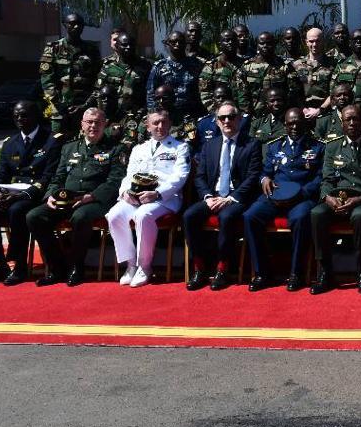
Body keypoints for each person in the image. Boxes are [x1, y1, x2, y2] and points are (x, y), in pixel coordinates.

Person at [26, 108, 127, 286]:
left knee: (80, 217)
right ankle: (57, 268)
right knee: (34, 216)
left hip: (95, 201)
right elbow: (58, 177)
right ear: (82, 124)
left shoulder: (116, 149)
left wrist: (91, 196)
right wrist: (50, 195)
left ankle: (76, 267)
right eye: (89, 122)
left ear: (105, 124)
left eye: (97, 122)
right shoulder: (69, 147)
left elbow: (115, 181)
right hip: (66, 200)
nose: (93, 126)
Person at [0, 101, 61, 286]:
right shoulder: (10, 143)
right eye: (16, 116)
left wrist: (23, 195)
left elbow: (49, 175)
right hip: (11, 192)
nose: (19, 119)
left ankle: (19, 264)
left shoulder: (51, 140)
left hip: (34, 193)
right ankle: (0, 264)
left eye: (24, 115)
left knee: (17, 210)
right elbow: (1, 174)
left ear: (36, 116)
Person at [309, 105, 361, 295]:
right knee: (316, 213)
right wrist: (327, 197)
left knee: (360, 217)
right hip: (336, 199)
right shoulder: (332, 146)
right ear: (342, 123)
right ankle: (325, 273)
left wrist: (359, 199)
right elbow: (327, 179)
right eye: (348, 120)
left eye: (356, 119)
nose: (352, 123)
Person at [182, 101, 262, 291]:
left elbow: (252, 177)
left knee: (226, 217)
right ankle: (199, 269)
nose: (227, 121)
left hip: (237, 198)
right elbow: (200, 177)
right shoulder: (210, 146)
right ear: (217, 122)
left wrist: (231, 198)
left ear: (240, 119)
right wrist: (208, 196)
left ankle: (222, 270)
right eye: (222, 118)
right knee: (189, 216)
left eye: (231, 117)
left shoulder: (252, 144)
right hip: (213, 196)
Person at [106, 109, 191, 288]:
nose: (160, 126)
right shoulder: (139, 149)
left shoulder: (180, 147)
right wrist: (125, 193)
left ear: (169, 124)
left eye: (164, 122)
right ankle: (131, 264)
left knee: (143, 215)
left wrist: (157, 193)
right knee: (113, 215)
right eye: (155, 123)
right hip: (137, 197)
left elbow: (180, 177)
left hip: (165, 198)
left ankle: (145, 266)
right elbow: (129, 175)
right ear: (147, 126)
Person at [243, 108, 324, 291]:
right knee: (250, 216)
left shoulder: (318, 146)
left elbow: (320, 178)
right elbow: (265, 172)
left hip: (302, 197)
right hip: (275, 195)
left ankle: (296, 274)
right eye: (290, 123)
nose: (294, 126)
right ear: (285, 125)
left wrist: (301, 194)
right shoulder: (274, 146)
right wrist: (264, 179)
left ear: (305, 122)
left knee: (300, 219)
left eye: (298, 122)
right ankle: (262, 273)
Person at [39, 12, 101, 136]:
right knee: (57, 142)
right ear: (64, 25)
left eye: (79, 24)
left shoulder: (91, 50)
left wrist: (85, 105)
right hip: (59, 108)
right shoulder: (53, 48)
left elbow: (98, 79)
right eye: (72, 24)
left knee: (86, 142)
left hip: (85, 107)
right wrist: (59, 105)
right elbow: (47, 81)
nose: (76, 27)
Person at [94, 31, 151, 119]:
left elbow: (151, 91)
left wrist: (145, 109)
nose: (128, 47)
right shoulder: (108, 65)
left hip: (136, 116)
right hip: (112, 115)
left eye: (131, 45)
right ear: (117, 46)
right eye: (124, 45)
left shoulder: (145, 65)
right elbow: (98, 91)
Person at [241, 31, 300, 117]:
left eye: (268, 43)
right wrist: (247, 112)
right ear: (257, 45)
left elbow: (293, 92)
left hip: (279, 116)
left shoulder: (285, 66)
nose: (265, 46)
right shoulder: (247, 67)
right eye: (262, 43)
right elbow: (242, 93)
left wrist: (285, 112)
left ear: (274, 44)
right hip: (254, 116)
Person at [146, 30, 203, 117]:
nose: (177, 44)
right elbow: (151, 94)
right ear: (168, 44)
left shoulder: (196, 64)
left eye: (180, 42)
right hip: (168, 115)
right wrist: (154, 115)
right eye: (173, 42)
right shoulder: (159, 66)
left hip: (192, 114)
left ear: (185, 44)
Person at [290, 26, 335, 120]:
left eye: (318, 41)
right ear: (306, 42)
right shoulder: (296, 65)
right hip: (303, 115)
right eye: (311, 41)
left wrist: (319, 110)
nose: (314, 44)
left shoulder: (333, 64)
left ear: (323, 41)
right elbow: (295, 92)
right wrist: (304, 110)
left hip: (326, 114)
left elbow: (334, 92)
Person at [198, 28, 247, 113]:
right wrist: (215, 112)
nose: (230, 43)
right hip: (221, 115)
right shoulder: (211, 66)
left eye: (233, 40)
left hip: (242, 113)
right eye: (227, 40)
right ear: (220, 44)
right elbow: (204, 92)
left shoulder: (246, 65)